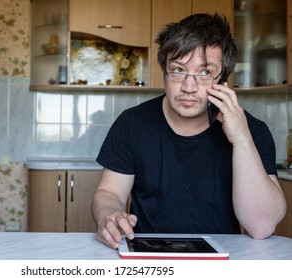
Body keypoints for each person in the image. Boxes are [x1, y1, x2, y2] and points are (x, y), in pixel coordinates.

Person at [92, 13, 287, 249]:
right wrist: (108, 215)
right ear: (164, 74)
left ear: (223, 80)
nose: (188, 86)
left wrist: (242, 140)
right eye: (178, 70)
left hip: (225, 261)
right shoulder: (131, 124)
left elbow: (262, 226)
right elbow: (109, 192)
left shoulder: (253, 131)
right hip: (147, 256)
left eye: (205, 73)